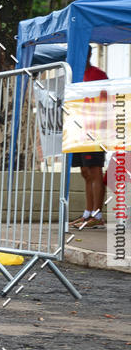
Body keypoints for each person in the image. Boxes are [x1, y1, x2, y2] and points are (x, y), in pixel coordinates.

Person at [70, 48, 108, 229]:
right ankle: (88, 213)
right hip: (77, 130)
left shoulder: (98, 75)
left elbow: (107, 102)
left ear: (88, 55)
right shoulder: (73, 75)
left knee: (95, 171)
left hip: (94, 130)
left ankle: (97, 215)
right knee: (85, 171)